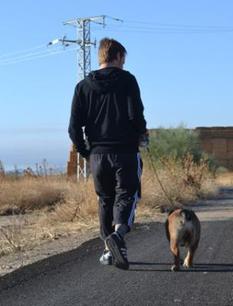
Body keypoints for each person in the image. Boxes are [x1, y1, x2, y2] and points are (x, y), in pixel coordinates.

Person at [68, 38, 148, 270]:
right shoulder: (128, 80)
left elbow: (74, 128)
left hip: (98, 155)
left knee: (105, 200)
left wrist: (86, 152)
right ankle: (119, 235)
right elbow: (136, 115)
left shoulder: (83, 86)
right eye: (124, 59)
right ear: (119, 56)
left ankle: (108, 251)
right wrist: (142, 136)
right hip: (124, 152)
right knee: (127, 195)